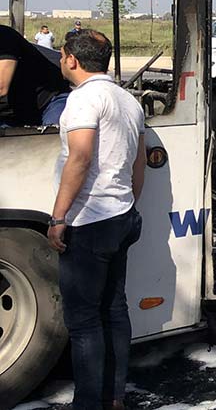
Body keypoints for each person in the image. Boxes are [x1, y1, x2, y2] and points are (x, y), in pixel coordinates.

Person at [48, 29, 145, 410]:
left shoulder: (83, 99)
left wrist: (58, 217)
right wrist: (128, 202)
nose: (60, 62)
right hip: (121, 215)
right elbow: (138, 162)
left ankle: (87, 403)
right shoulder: (127, 100)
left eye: (61, 56)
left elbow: (81, 157)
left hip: (89, 221)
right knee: (114, 309)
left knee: (84, 320)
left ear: (71, 59)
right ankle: (114, 397)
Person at [0, 24, 71, 126]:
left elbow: (1, 87)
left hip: (48, 101)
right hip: (12, 112)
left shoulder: (4, 37)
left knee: (56, 136)